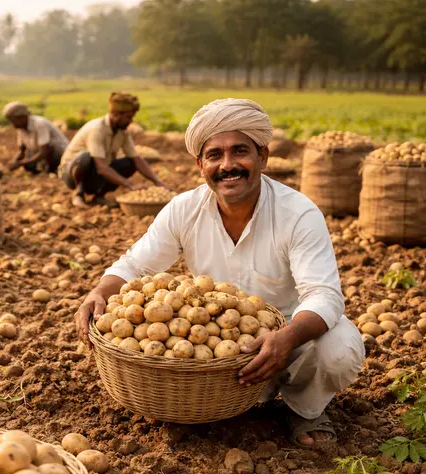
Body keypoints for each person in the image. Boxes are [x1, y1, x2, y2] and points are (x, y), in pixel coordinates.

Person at [75, 98, 365, 448]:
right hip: (208, 346)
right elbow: (136, 264)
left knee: (340, 348)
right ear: (200, 164)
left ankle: (303, 408)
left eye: (239, 151)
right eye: (214, 155)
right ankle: (217, 402)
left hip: (288, 337)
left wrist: (287, 337)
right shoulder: (183, 209)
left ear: (263, 156)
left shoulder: (298, 213)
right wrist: (100, 291)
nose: (227, 165)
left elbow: (324, 294)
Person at [58, 92, 168, 208]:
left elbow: (136, 158)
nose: (131, 121)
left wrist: (157, 181)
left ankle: (99, 196)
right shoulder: (97, 129)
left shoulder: (123, 132)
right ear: (116, 115)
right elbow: (101, 168)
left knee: (130, 163)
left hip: (96, 171)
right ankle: (78, 194)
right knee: (85, 158)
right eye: (128, 117)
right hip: (71, 171)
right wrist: (130, 185)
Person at [2, 101, 68, 174]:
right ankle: (44, 169)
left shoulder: (40, 124)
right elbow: (22, 151)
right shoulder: (21, 128)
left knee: (49, 148)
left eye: (13, 120)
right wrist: (13, 162)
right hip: (42, 155)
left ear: (22, 117)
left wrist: (20, 163)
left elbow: (45, 150)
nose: (12, 124)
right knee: (28, 162)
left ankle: (53, 170)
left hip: (60, 154)